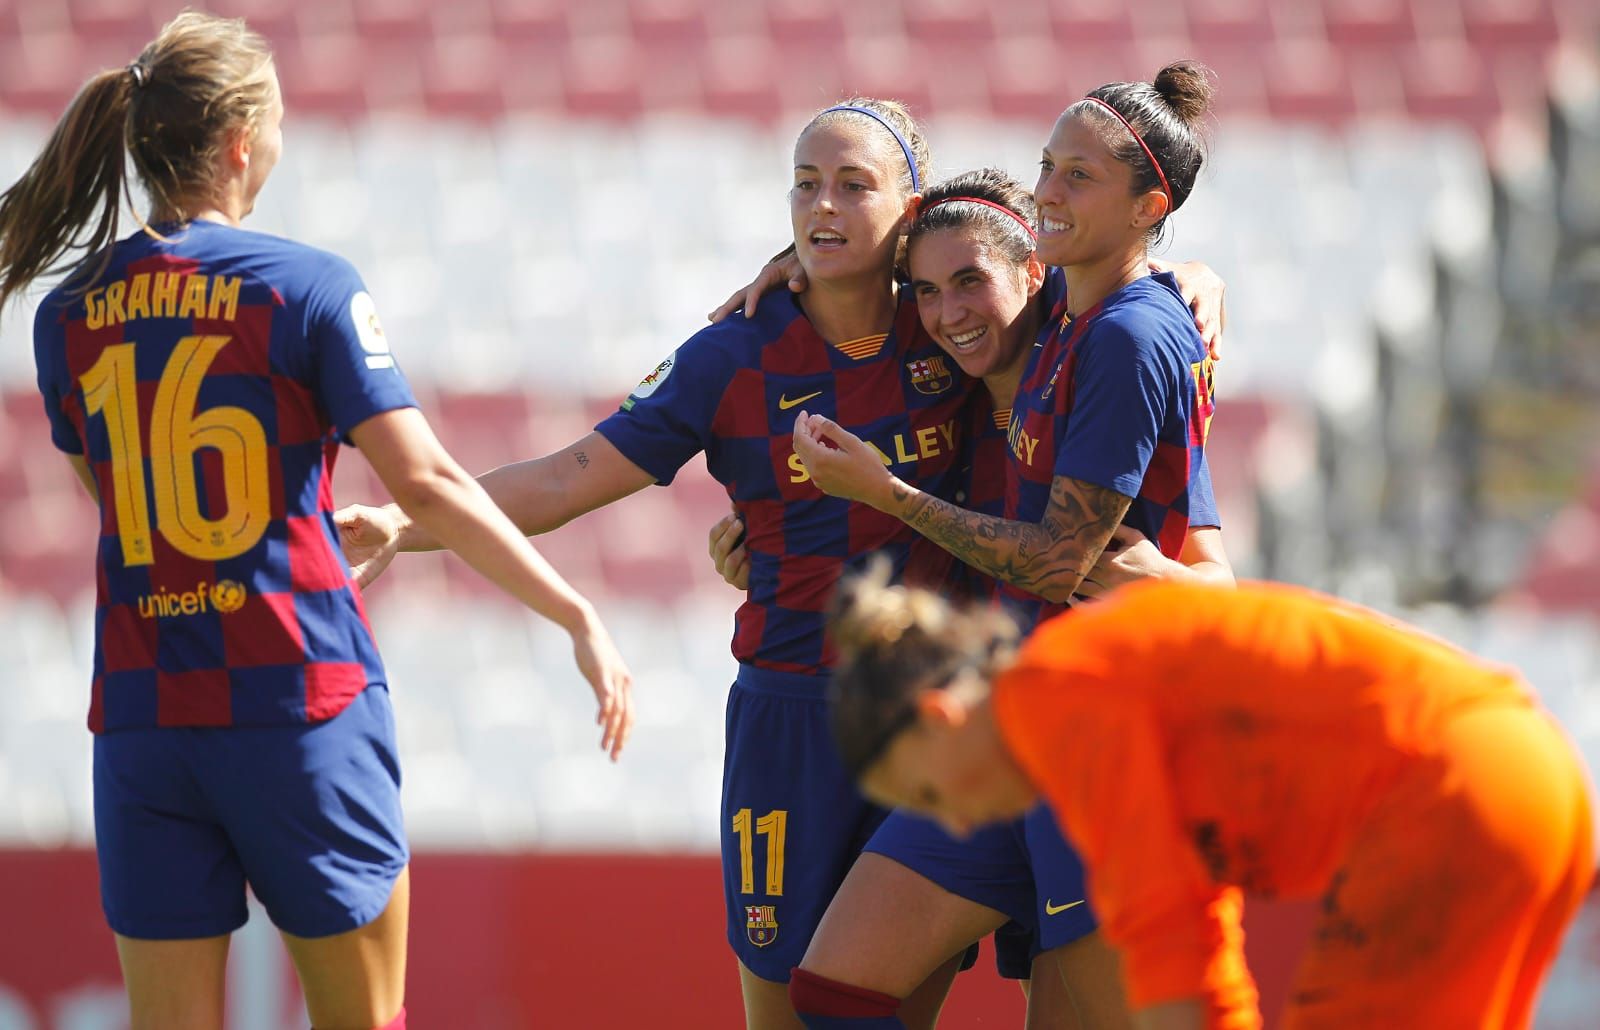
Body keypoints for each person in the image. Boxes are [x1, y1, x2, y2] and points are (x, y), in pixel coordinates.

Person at [0, 13, 632, 1029]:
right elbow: (425, 483)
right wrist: (574, 615)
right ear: (245, 141)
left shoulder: (64, 313)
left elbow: (115, 504)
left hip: (144, 715)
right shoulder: (306, 287)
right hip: (297, 702)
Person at [336, 96, 979, 1029]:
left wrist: (1195, 279)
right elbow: (564, 480)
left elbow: (1084, 303)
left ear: (912, 209)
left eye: (853, 185)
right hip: (789, 715)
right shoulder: (734, 354)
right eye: (806, 185)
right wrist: (404, 519)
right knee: (786, 1011)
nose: (824, 207)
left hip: (928, 716)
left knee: (878, 1016)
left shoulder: (959, 330)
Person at [748, 65, 1231, 1029]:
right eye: (1048, 167)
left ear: (1147, 206)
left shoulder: (1126, 335)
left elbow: (1065, 561)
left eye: (1078, 176)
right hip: (1016, 728)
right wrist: (792, 267)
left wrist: (888, 494)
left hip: (1105, 739)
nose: (1050, 191)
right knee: (836, 988)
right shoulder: (1059, 324)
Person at [824, 567, 1597, 1030]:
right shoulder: (1068, 693)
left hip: (1453, 794)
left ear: (940, 716)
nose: (957, 822)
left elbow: (1167, 940)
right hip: (1536, 780)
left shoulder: (1053, 700)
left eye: (928, 792)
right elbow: (1199, 935)